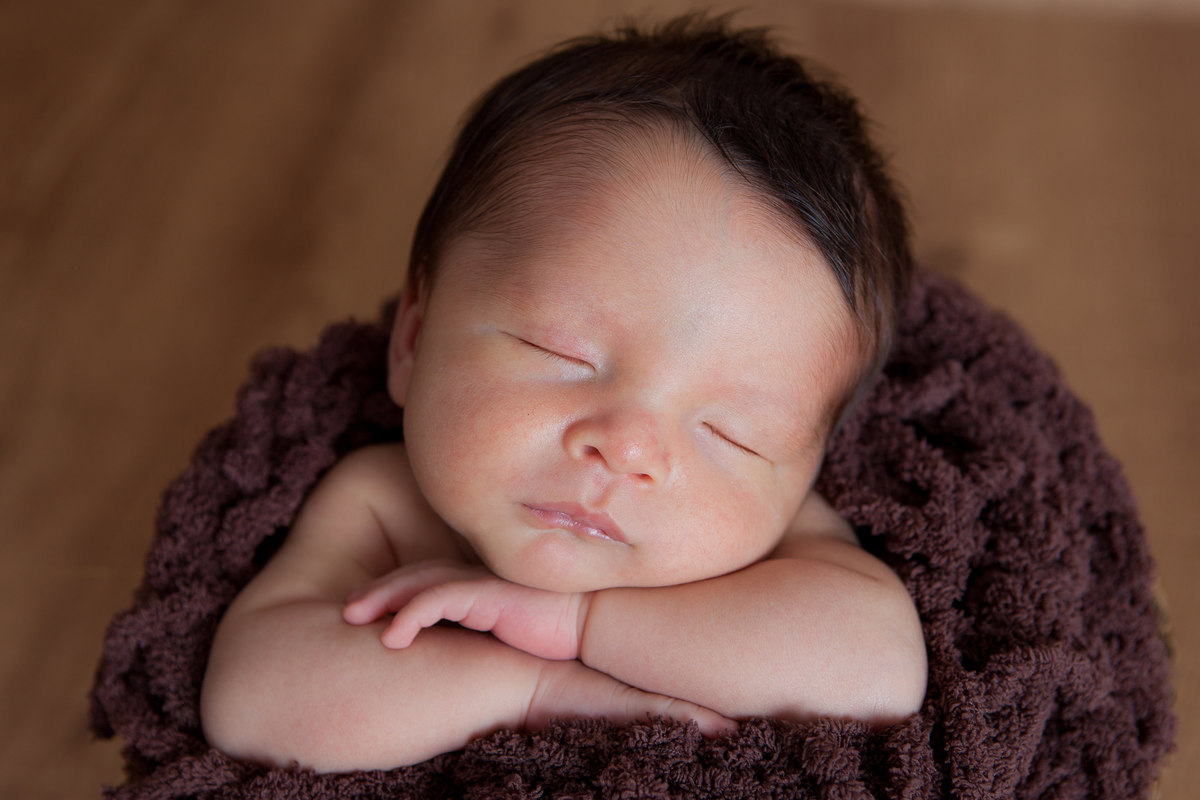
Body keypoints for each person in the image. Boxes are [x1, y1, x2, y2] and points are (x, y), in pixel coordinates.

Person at [200, 15, 927, 772]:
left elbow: (877, 672)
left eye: (732, 433)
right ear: (412, 338)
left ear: (810, 463)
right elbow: (253, 702)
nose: (628, 447)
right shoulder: (379, 502)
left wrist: (579, 624)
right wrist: (535, 690)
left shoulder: (775, 547)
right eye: (562, 352)